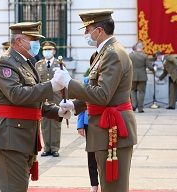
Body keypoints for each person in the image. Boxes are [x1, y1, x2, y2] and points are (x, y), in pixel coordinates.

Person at [52, 10, 137, 192]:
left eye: (87, 30)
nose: (85, 35)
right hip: (104, 129)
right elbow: (98, 92)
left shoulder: (112, 54)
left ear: (99, 31)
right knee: (108, 185)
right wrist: (75, 105)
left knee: (114, 188)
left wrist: (69, 83)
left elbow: (103, 95)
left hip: (113, 130)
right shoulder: (102, 53)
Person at [0, 21, 70, 192]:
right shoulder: (5, 63)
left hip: (22, 136)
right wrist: (52, 86)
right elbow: (17, 95)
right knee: (14, 188)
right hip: (10, 136)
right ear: (19, 41)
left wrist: (58, 111)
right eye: (32, 39)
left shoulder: (26, 62)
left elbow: (34, 100)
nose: (37, 44)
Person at [35, 41, 65, 157]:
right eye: (45, 50)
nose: (47, 52)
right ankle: (47, 147)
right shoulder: (38, 64)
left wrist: (65, 100)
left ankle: (55, 147)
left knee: (56, 123)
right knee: (45, 124)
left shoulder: (60, 64)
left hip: (56, 97)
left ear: (54, 51)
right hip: (43, 97)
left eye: (49, 50)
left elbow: (65, 82)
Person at [77, 55, 99, 192]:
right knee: (91, 155)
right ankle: (94, 184)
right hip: (88, 122)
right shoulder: (86, 81)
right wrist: (79, 124)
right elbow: (81, 104)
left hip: (104, 121)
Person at [129, 42, 154, 113]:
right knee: (141, 92)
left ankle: (133, 105)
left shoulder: (131, 55)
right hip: (142, 76)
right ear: (142, 48)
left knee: (132, 91)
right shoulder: (144, 56)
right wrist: (153, 69)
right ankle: (140, 108)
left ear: (136, 48)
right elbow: (149, 66)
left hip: (133, 76)